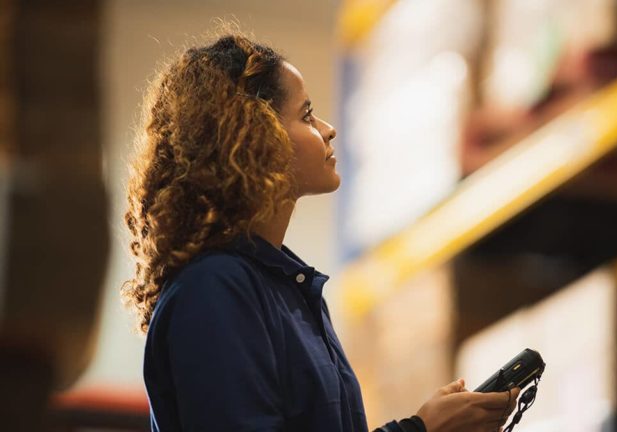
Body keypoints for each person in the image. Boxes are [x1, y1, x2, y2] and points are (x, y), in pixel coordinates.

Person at [123, 33, 519, 432]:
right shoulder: (214, 289)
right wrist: (421, 429)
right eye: (307, 115)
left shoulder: (291, 291)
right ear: (255, 133)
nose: (328, 130)